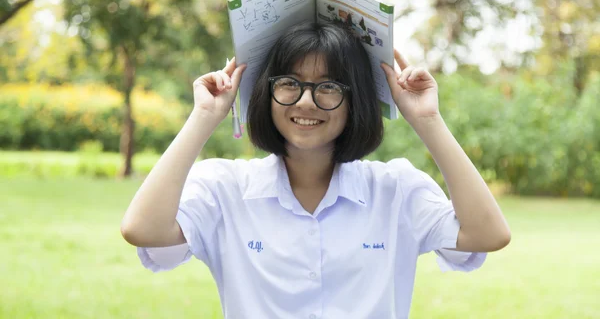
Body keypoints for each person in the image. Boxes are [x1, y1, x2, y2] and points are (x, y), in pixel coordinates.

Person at [120, 22, 511, 319]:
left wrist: (427, 120)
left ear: (354, 100)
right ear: (267, 92)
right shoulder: (225, 188)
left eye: (328, 87)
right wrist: (204, 116)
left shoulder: (396, 189)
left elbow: (488, 234)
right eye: (289, 83)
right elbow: (143, 230)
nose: (306, 102)